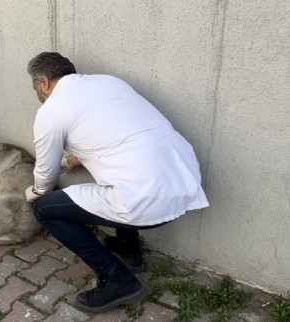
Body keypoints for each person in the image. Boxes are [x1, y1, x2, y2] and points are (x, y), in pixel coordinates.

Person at [24, 52, 209, 313]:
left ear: (43, 82)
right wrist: (70, 163)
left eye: (36, 89)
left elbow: (45, 175)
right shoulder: (109, 83)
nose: (39, 96)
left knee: (45, 208)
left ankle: (118, 280)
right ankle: (129, 251)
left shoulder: (51, 111)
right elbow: (115, 141)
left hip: (147, 201)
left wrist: (35, 192)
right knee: (118, 179)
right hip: (186, 180)